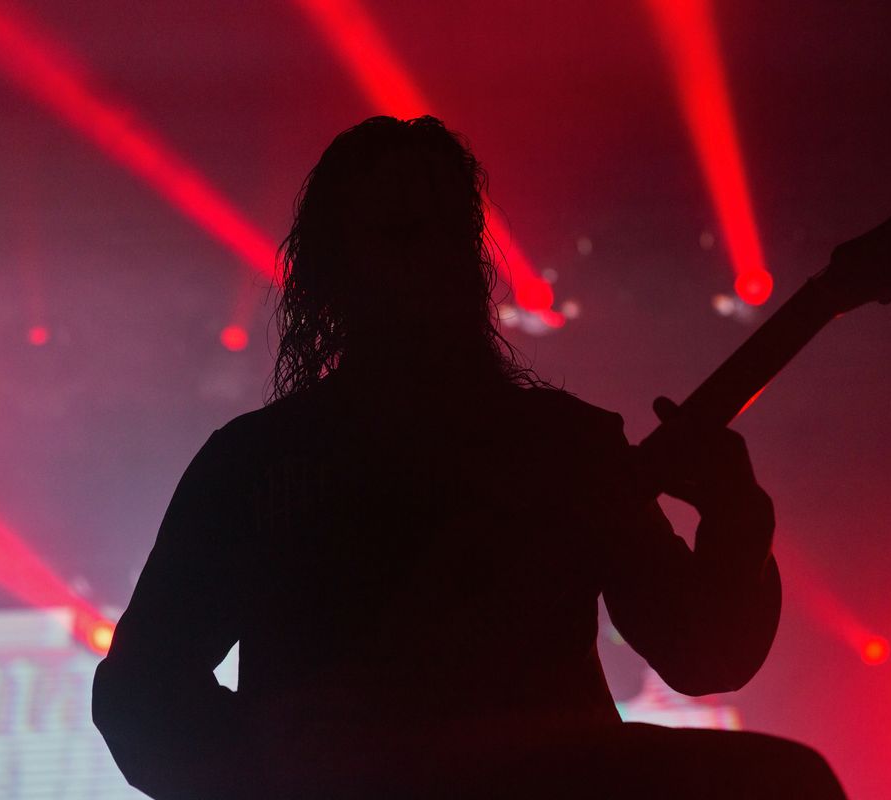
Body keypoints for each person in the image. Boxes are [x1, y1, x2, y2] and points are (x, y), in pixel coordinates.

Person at [92, 115, 846, 798]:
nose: (429, 262)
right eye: (397, 234)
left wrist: (733, 515)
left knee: (791, 786)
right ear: (335, 271)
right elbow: (139, 694)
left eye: (450, 232)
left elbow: (703, 654)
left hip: (550, 780)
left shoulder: (567, 444)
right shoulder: (254, 466)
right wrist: (271, 752)